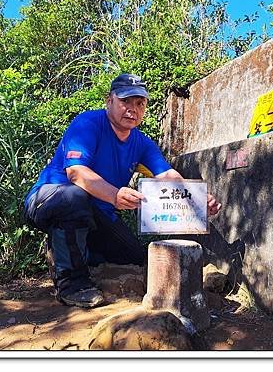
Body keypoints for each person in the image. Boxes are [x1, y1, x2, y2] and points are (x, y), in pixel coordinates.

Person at [24, 73, 222, 308]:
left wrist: (197, 201)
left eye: (139, 103)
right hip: (48, 198)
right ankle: (71, 284)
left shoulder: (142, 143)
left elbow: (167, 176)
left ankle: (71, 252)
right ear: (109, 101)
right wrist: (115, 196)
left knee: (134, 256)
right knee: (73, 197)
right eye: (125, 101)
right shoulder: (88, 124)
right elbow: (76, 173)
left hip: (98, 213)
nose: (132, 109)